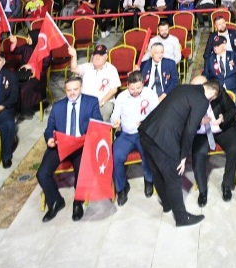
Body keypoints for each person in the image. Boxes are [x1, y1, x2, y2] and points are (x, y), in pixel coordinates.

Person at [138, 79, 221, 227]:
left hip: (147, 131)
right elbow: (189, 131)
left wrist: (196, 121)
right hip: (163, 138)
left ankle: (167, 204)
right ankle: (181, 218)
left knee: (157, 171)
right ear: (213, 94)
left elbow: (179, 113)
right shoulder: (202, 101)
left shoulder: (184, 88)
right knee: (174, 175)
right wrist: (183, 156)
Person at [39, 76, 103, 222]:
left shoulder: (91, 102)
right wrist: (49, 138)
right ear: (65, 90)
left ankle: (77, 202)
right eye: (69, 90)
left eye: (75, 89)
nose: (72, 93)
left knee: (81, 172)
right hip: (61, 144)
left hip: (81, 145)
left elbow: (98, 124)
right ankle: (55, 201)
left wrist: (89, 138)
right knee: (42, 174)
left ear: (81, 88)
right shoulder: (58, 106)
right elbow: (49, 128)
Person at [189, 75, 236, 207]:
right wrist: (198, 121)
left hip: (223, 129)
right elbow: (185, 123)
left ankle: (227, 184)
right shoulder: (188, 99)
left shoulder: (219, 92)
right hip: (202, 132)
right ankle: (202, 191)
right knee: (198, 154)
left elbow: (233, 110)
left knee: (234, 148)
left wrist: (223, 118)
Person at [111, 71, 158, 205]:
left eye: (138, 88)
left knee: (147, 152)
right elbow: (115, 115)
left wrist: (146, 123)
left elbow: (157, 114)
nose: (135, 91)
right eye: (132, 89)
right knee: (116, 156)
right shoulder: (121, 97)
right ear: (127, 86)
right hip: (126, 134)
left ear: (143, 84)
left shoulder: (150, 94)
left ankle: (149, 181)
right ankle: (121, 188)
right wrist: (115, 121)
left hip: (144, 132)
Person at [70, 44, 121, 119]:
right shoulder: (87, 66)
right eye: (95, 55)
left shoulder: (111, 69)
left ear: (106, 57)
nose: (97, 58)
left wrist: (101, 102)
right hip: (85, 101)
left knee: (105, 111)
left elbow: (114, 90)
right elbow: (74, 69)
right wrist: (74, 56)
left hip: (103, 102)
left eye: (100, 55)